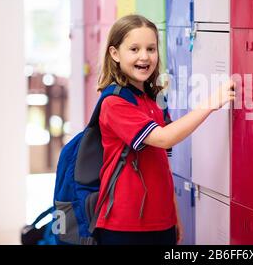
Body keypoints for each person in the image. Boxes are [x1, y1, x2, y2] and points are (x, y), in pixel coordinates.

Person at [94, 14, 235, 245]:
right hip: (124, 227)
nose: (144, 56)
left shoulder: (153, 99)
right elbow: (164, 138)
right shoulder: (114, 103)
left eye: (151, 48)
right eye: (134, 49)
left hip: (161, 223)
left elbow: (161, 162)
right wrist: (210, 103)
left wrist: (174, 215)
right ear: (115, 54)